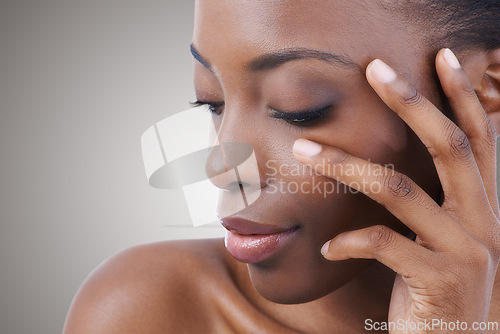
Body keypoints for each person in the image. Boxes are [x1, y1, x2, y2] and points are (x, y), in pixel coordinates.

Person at [63, 0, 500, 333]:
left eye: (300, 109)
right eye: (210, 101)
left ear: (487, 86)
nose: (223, 170)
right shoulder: (150, 309)